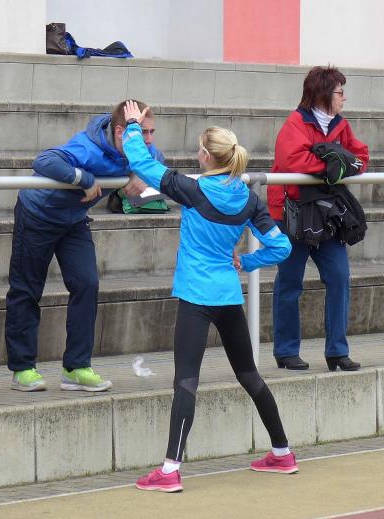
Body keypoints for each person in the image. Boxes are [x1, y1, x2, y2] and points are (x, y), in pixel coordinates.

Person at [120, 101, 296, 491]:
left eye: (199, 149)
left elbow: (142, 163)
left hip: (196, 297)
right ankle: (282, 453)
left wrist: (132, 125)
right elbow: (281, 247)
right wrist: (247, 262)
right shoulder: (247, 198)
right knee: (249, 375)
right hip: (228, 296)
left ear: (205, 156)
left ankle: (170, 471)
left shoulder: (193, 189)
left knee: (186, 381)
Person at [5, 100, 161, 392]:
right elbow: (44, 161)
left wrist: (140, 173)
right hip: (38, 214)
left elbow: (157, 160)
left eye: (152, 132)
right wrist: (83, 178)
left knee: (87, 284)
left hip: (74, 220)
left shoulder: (141, 147)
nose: (149, 141)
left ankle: (76, 368)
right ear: (120, 131)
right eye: (144, 133)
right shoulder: (88, 147)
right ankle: (23, 369)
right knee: (27, 289)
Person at [268, 66, 369, 371]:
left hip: (325, 214)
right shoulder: (295, 123)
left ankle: (337, 351)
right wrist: (331, 163)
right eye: (340, 92)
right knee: (290, 282)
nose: (344, 98)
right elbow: (292, 161)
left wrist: (337, 161)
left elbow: (360, 157)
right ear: (324, 94)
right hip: (293, 213)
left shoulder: (340, 125)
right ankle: (286, 351)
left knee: (339, 276)